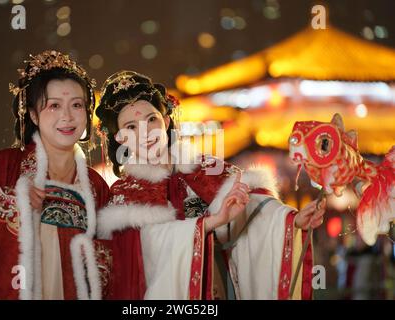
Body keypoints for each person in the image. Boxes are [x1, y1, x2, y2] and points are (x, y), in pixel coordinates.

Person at [95, 71, 326, 300]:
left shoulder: (206, 169)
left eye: (151, 119)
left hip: (222, 286)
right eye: (131, 127)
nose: (145, 132)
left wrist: (292, 220)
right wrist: (208, 224)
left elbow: (253, 205)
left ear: (166, 121)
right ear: (120, 138)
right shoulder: (124, 197)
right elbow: (139, 260)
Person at [0, 50, 111, 300]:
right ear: (33, 114)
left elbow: (116, 256)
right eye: (54, 105)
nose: (67, 116)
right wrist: (11, 204)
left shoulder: (96, 185)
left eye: (76, 105)